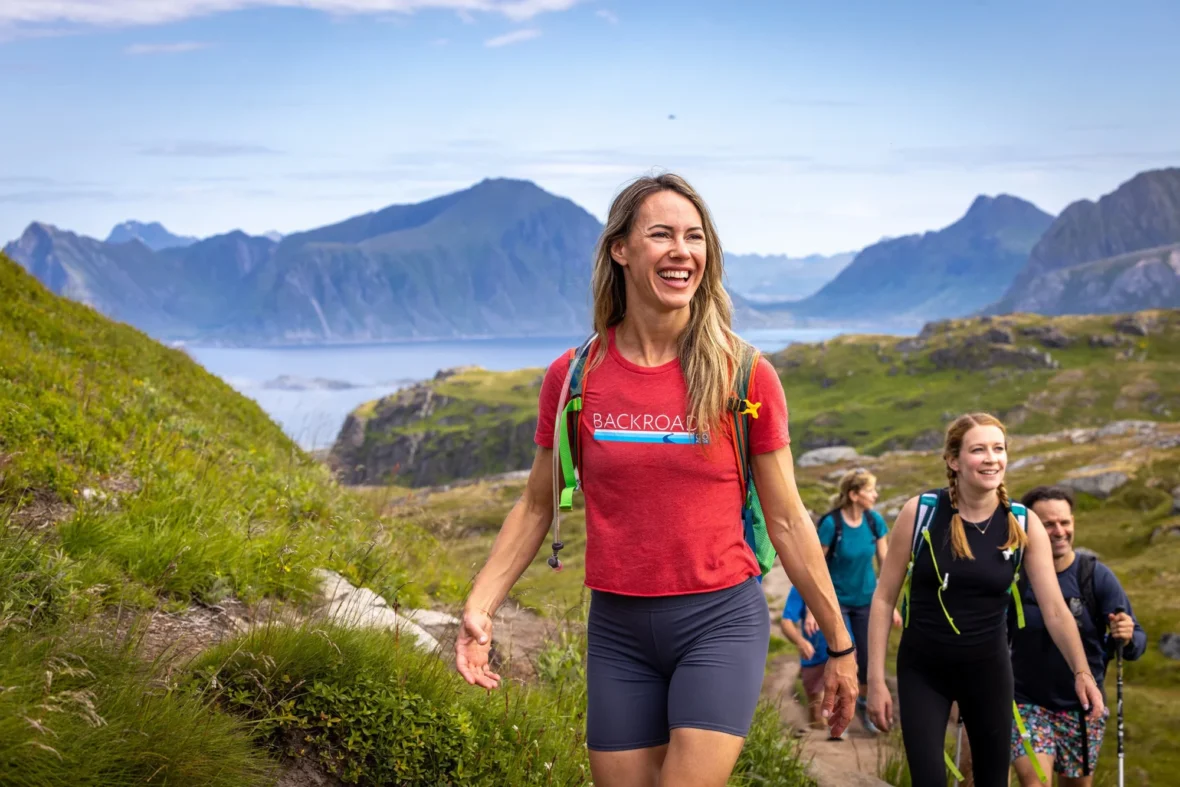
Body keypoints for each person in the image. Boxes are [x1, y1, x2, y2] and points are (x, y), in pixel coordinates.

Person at [454, 173, 859, 787]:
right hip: (617, 630)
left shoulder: (744, 374)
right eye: (662, 234)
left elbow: (787, 519)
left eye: (695, 238)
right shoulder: (575, 376)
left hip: (719, 620)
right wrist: (479, 607)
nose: (682, 251)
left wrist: (841, 645)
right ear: (621, 248)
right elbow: (537, 505)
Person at [864, 413, 1105, 787]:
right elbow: (883, 600)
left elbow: (1056, 610)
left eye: (999, 448)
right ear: (953, 460)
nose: (992, 458)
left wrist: (1082, 671)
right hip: (923, 673)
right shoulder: (921, 512)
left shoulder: (1023, 524)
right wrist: (876, 680)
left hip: (989, 673)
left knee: (992, 781)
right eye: (979, 449)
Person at [1008, 485, 1147, 787]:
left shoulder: (1095, 576)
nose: (1059, 531)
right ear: (1028, 527)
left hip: (1082, 707)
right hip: (1025, 703)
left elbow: (1135, 643)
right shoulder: (1015, 578)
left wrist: (1127, 636)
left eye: (1065, 522)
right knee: (1035, 783)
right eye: (1048, 524)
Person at [802, 468, 902, 733]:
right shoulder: (831, 524)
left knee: (869, 658)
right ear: (854, 495)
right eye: (870, 490)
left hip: (867, 600)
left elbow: (885, 563)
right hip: (837, 603)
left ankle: (866, 708)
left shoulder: (874, 522)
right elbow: (816, 567)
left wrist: (889, 605)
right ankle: (840, 715)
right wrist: (813, 609)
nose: (875, 494)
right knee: (846, 656)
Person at [781, 585, 854, 733]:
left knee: (840, 704)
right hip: (813, 656)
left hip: (844, 653)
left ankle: (839, 734)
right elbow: (786, 622)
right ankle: (815, 740)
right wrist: (800, 641)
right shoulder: (801, 585)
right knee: (816, 712)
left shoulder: (842, 581)